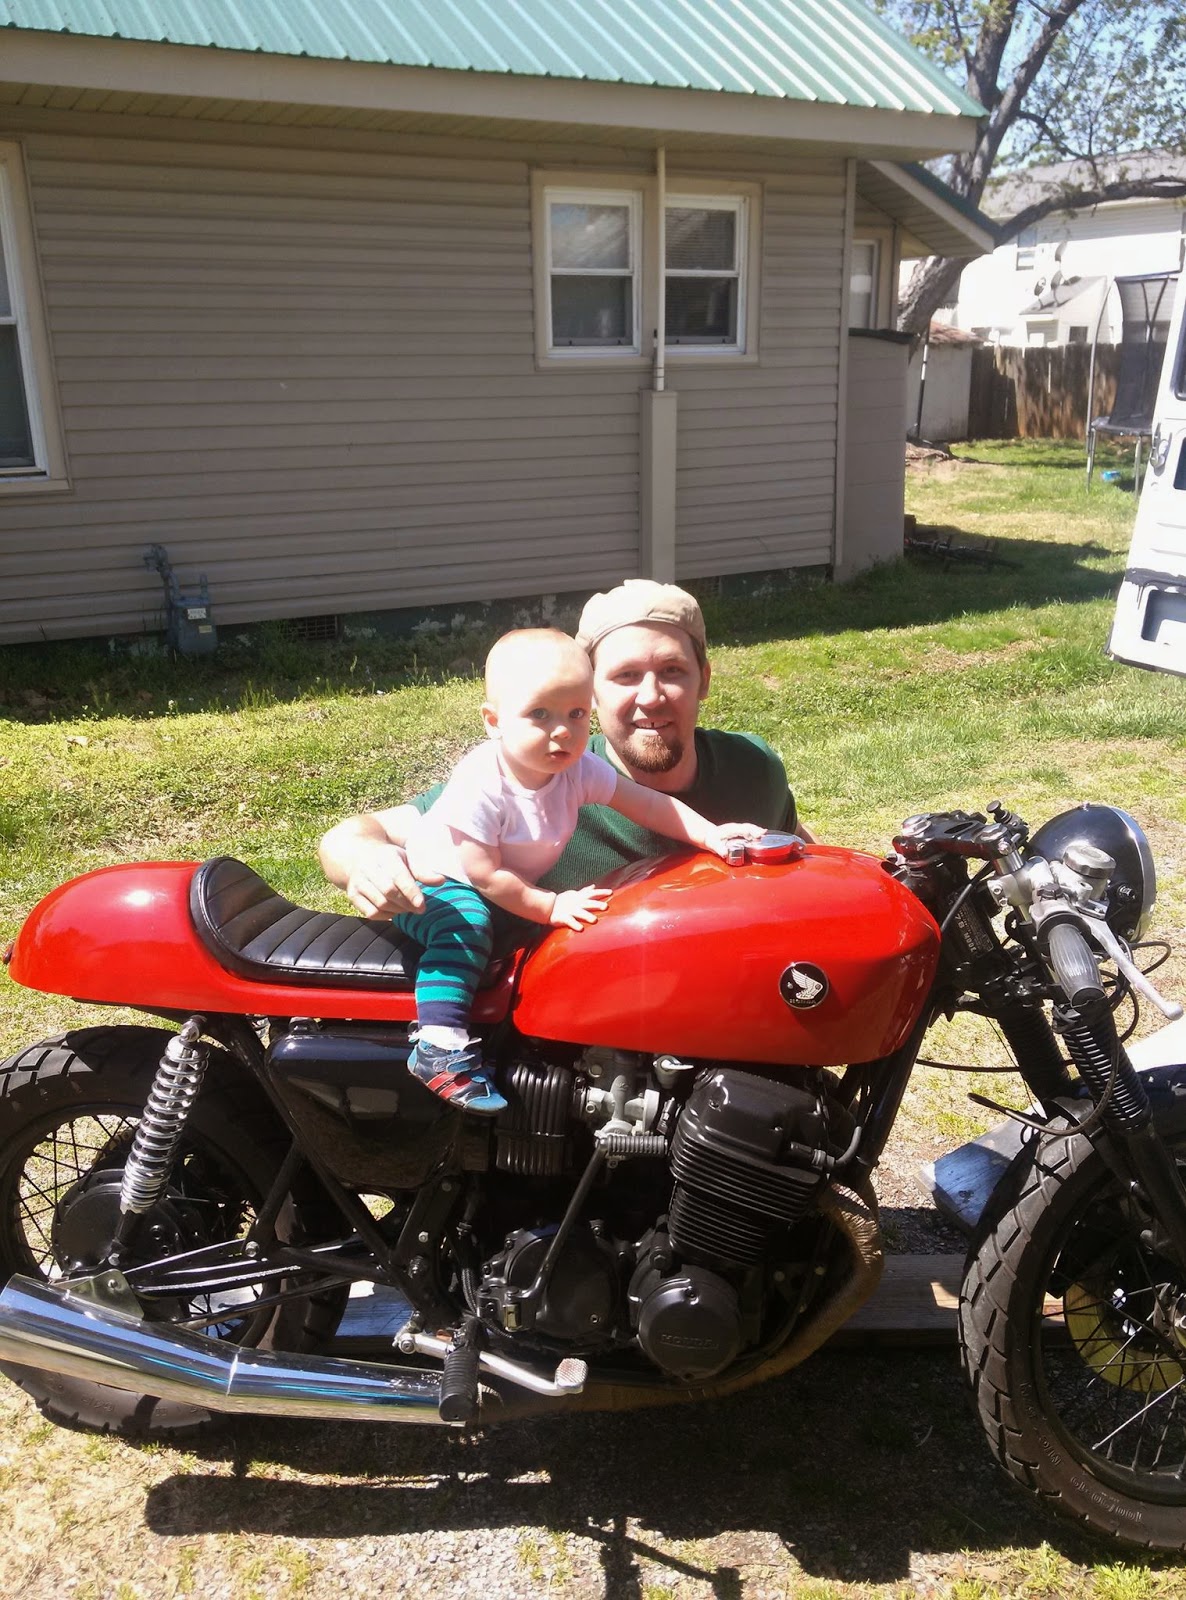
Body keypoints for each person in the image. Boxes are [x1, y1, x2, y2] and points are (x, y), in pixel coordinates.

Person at [387, 626, 762, 1115]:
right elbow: (484, 875)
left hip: (498, 885)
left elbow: (647, 803)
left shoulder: (576, 769)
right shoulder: (481, 783)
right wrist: (550, 905)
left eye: (576, 713)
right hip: (432, 882)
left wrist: (711, 835)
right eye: (540, 714)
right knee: (469, 928)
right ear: (494, 722)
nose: (562, 730)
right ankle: (439, 1046)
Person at [318, 579, 807, 935]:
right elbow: (354, 835)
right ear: (591, 691)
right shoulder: (538, 776)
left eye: (672, 670)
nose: (651, 696)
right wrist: (367, 859)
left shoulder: (753, 766)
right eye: (625, 676)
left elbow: (806, 857)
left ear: (704, 679)